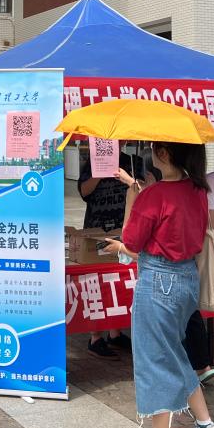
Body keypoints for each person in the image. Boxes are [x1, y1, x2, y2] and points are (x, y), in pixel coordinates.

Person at [103, 142, 214, 428]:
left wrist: (132, 200)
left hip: (159, 281)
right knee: (173, 355)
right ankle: (206, 426)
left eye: (155, 147)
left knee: (155, 362)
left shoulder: (155, 195)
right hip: (187, 279)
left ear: (163, 155)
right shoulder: (198, 190)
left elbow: (131, 242)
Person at [78, 144, 152, 358]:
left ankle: (115, 332)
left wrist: (130, 179)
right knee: (98, 281)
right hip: (97, 229)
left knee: (119, 280)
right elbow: (84, 191)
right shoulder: (92, 163)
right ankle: (95, 337)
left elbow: (146, 189)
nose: (114, 145)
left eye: (118, 142)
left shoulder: (133, 162)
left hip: (125, 227)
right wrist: (100, 171)